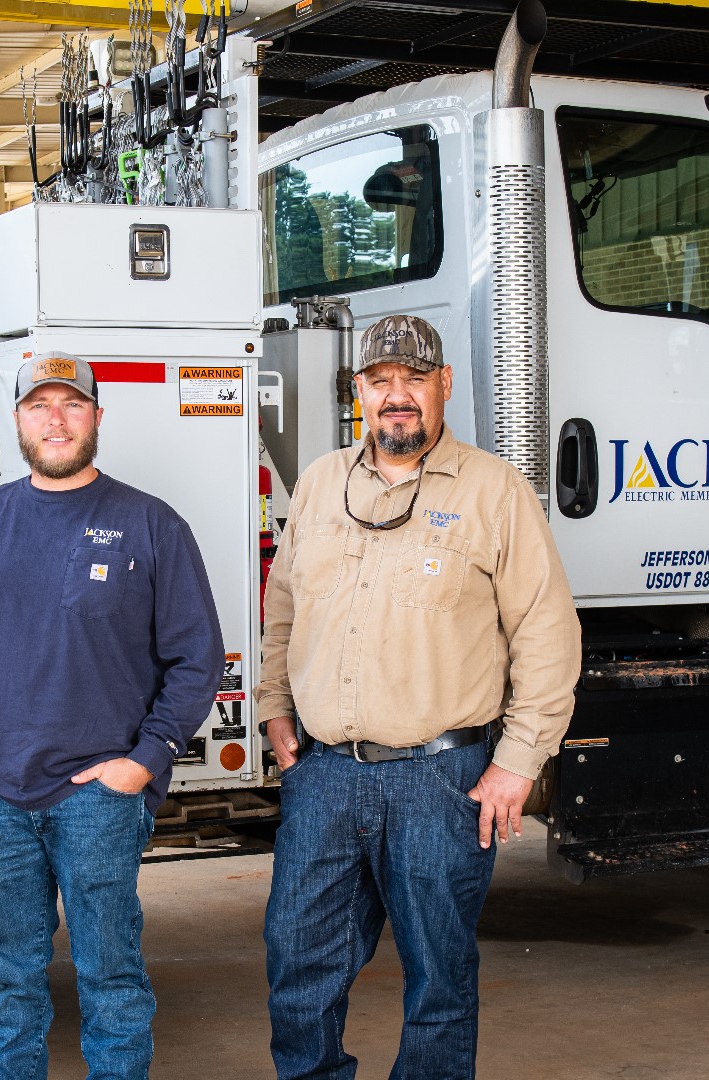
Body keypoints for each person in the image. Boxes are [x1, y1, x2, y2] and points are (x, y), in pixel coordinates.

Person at [258, 315, 580, 1080]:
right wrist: (273, 701)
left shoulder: (494, 490)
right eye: (379, 382)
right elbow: (285, 605)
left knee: (439, 976)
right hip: (326, 774)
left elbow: (545, 631)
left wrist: (519, 760)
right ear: (358, 393)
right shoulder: (319, 483)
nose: (395, 397)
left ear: (442, 387)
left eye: (413, 379)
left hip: (443, 777)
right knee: (299, 964)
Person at [0, 354, 225, 1080]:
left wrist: (144, 761)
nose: (55, 418)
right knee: (9, 982)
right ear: (17, 419)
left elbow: (198, 659)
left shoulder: (149, 524)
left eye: (71, 404)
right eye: (39, 404)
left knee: (112, 979)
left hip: (99, 798)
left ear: (97, 418)